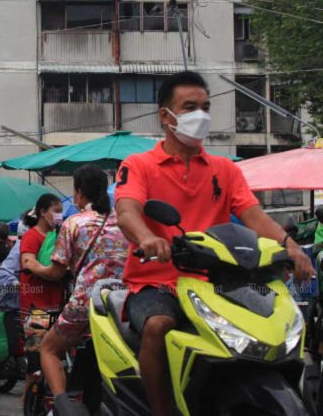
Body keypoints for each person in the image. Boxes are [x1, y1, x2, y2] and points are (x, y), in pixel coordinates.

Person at [115, 71, 314, 416]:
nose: (200, 115)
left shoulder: (225, 169)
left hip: (221, 282)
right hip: (159, 281)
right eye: (190, 107)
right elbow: (127, 210)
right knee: (157, 326)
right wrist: (148, 238)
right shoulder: (139, 165)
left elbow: (253, 215)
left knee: (278, 323)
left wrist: (289, 246)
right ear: (166, 116)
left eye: (205, 107)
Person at [38, 165, 128, 414]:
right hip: (121, 306)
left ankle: (62, 407)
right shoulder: (123, 221)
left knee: (49, 349)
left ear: (78, 192)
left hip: (85, 304)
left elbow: (56, 272)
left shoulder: (74, 223)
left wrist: (33, 266)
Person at [19, 194, 64, 396]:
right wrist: (51, 272)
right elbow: (27, 262)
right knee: (35, 365)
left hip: (58, 307)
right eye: (56, 211)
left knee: (56, 360)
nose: (59, 215)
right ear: (42, 212)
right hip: (35, 308)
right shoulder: (31, 236)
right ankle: (28, 406)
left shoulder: (60, 236)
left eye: (61, 211)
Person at [0, 239, 22, 397]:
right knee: (10, 343)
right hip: (13, 304)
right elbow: (3, 271)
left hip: (39, 304)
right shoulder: (21, 246)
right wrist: (15, 282)